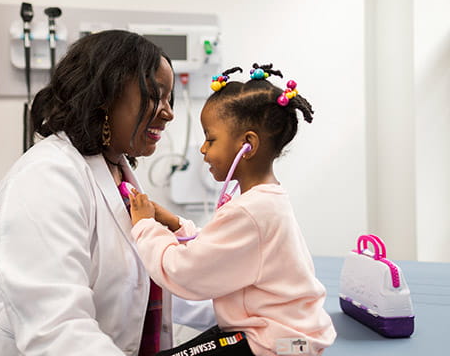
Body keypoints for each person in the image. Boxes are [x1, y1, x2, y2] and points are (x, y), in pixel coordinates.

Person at [0, 30, 198, 355]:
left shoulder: (119, 178)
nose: (168, 112)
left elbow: (140, 288)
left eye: (169, 99)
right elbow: (55, 327)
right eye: (155, 96)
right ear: (105, 94)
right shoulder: (48, 176)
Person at [128, 64, 337, 356]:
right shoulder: (265, 201)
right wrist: (176, 225)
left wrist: (144, 227)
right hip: (280, 335)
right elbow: (221, 248)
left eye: (210, 139)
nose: (202, 149)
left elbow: (184, 273)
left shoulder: (252, 211)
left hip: (272, 344)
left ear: (247, 145)